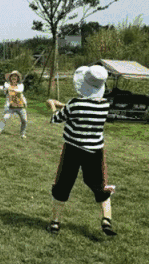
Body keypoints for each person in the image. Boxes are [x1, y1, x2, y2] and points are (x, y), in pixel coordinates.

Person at [46, 65, 117, 236]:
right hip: (95, 152)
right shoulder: (104, 105)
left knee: (63, 183)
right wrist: (65, 106)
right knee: (99, 185)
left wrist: (53, 106)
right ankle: (106, 219)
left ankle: (55, 223)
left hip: (73, 150)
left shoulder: (74, 103)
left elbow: (56, 119)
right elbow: (85, 108)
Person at [0, 70, 28, 139]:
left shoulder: (21, 85)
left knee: (24, 120)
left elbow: (19, 91)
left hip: (20, 105)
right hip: (10, 106)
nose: (14, 78)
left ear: (18, 78)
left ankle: (22, 134)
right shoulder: (6, 84)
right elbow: (5, 88)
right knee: (5, 118)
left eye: (15, 76)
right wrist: (1, 87)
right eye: (12, 76)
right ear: (10, 78)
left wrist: (9, 89)